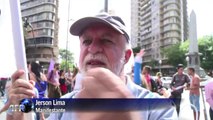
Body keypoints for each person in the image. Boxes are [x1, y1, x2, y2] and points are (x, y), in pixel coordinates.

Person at [4, 12, 177, 120]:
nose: (92, 49)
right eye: (86, 41)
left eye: (106, 40)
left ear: (126, 56)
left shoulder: (159, 108)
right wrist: (16, 116)